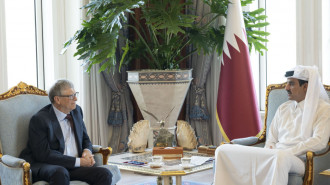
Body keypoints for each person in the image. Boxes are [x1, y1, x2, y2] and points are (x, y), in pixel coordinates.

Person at [214, 65, 330, 185]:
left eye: (291, 84)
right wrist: (269, 149)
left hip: (299, 158)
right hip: (275, 154)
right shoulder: (283, 108)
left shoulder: (323, 109)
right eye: (287, 83)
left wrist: (289, 152)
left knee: (280, 157)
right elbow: (271, 138)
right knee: (222, 150)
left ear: (305, 86)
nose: (286, 88)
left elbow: (319, 141)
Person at [20, 80, 112, 185]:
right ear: (57, 99)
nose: (76, 99)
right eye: (71, 96)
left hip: (72, 166)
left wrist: (87, 151)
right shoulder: (40, 120)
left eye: (75, 94)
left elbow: (85, 139)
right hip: (47, 165)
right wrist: (79, 162)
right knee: (60, 173)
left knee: (105, 174)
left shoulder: (77, 111)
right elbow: (43, 154)